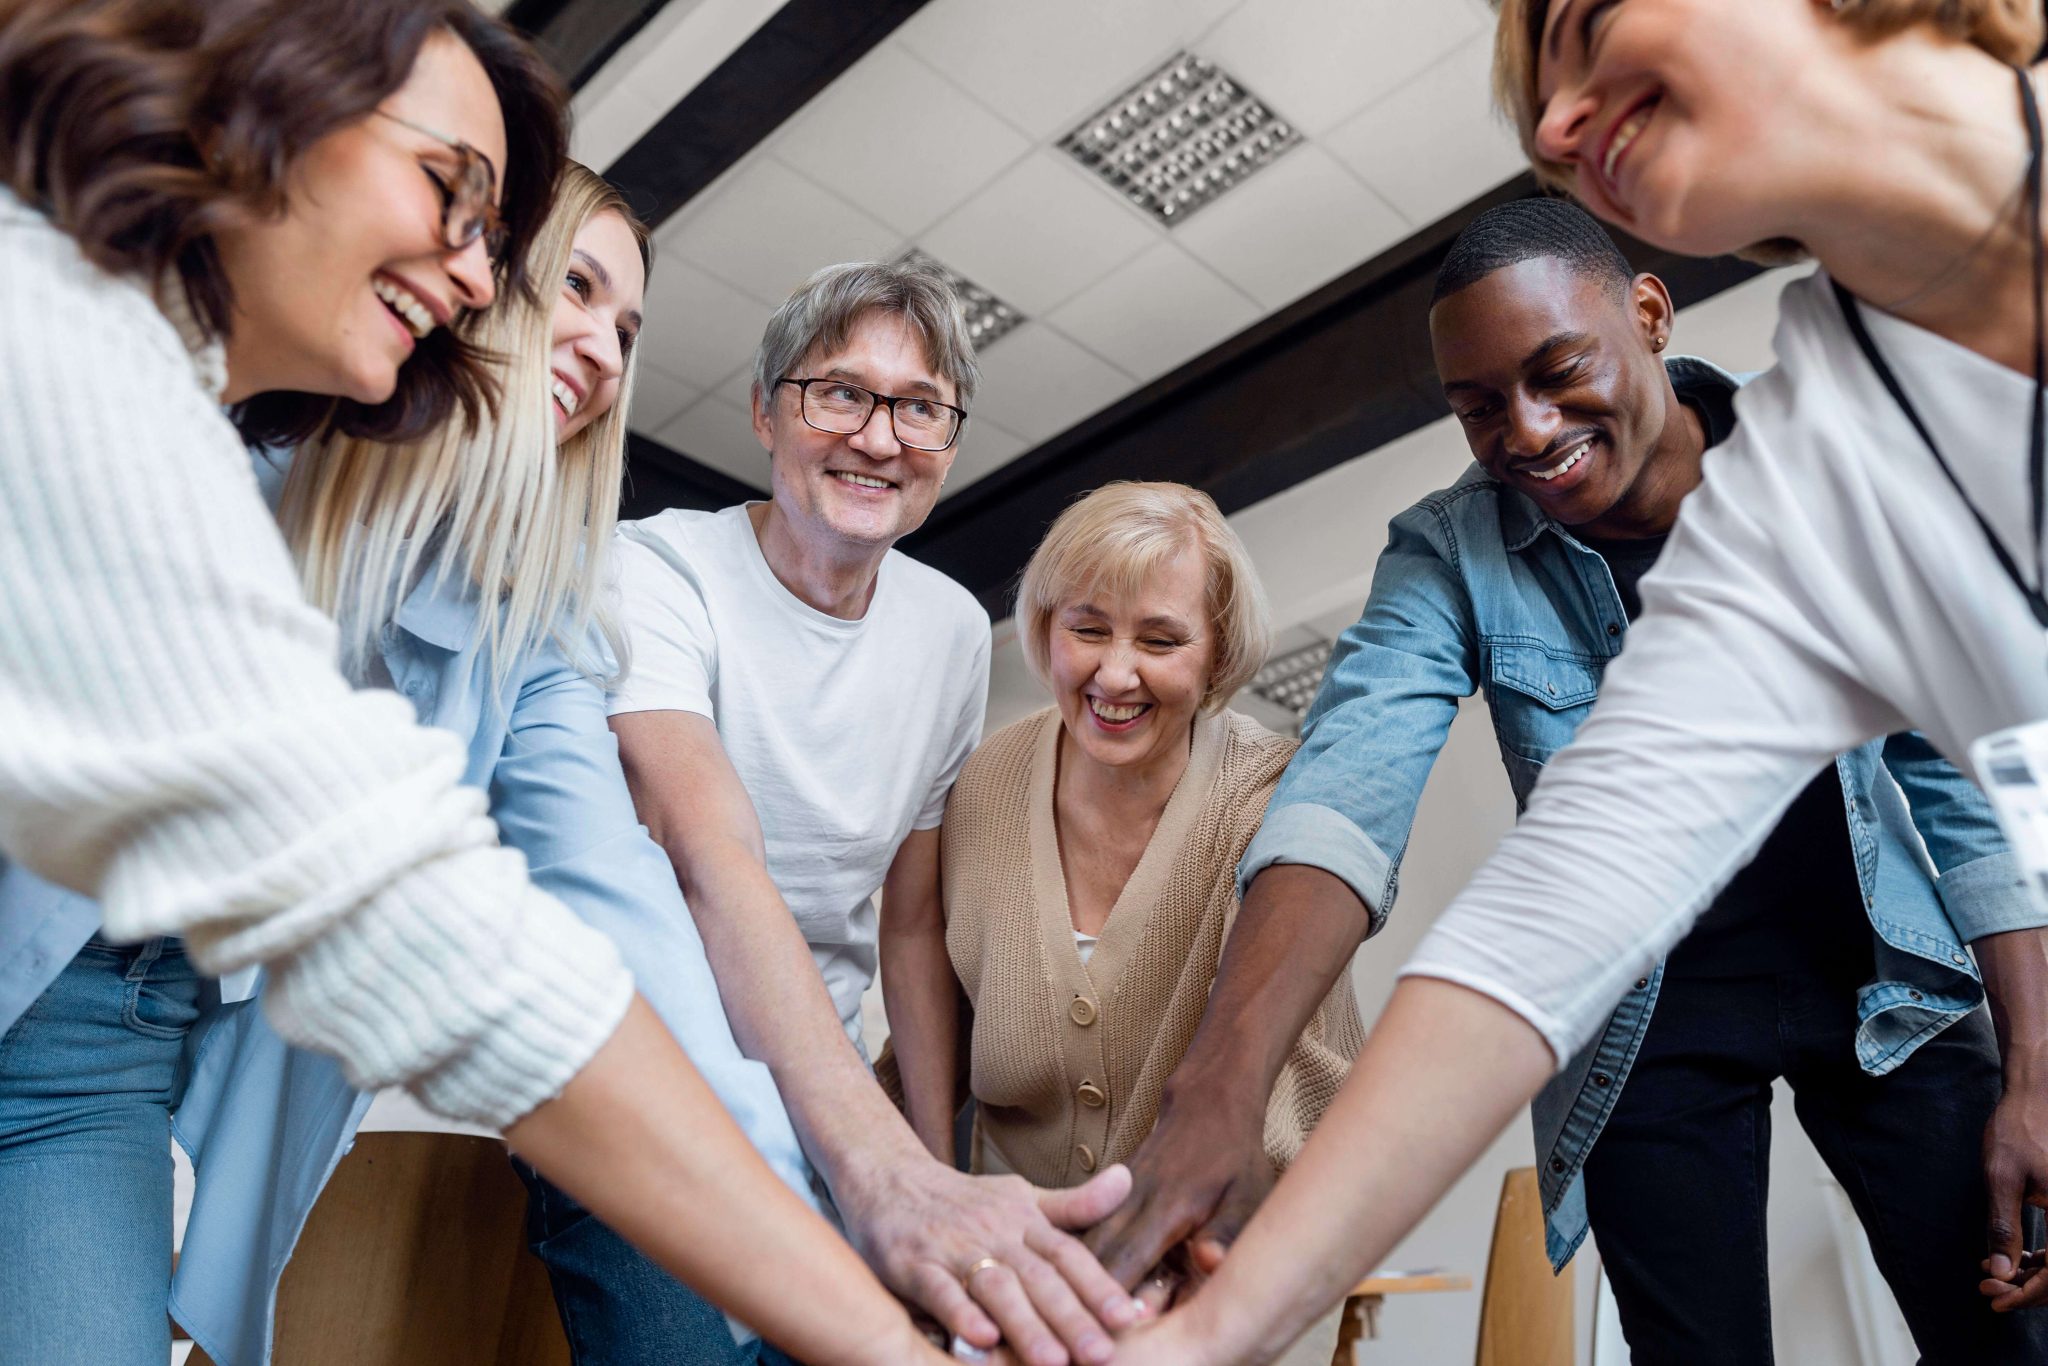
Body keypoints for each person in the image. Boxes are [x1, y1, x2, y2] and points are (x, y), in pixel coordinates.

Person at [0, 4, 949, 1362]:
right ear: (262, 104)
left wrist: (853, 1202)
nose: (465, 271)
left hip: (101, 1051)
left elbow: (615, 913)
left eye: (487, 235)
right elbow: (419, 915)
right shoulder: (97, 371)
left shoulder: (531, 615)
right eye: (459, 205)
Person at [1105, 2, 2048, 1361]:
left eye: (1586, 20)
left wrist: (2031, 1055)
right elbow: (1446, 838)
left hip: (1882, 968)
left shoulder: (1816, 448)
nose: (1550, 121)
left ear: (1650, 312)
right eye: (1480, 407)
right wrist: (1221, 1119)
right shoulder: (1815, 482)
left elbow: (1952, 782)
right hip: (1659, 1007)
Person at [584, 257, 1143, 1366]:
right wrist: (876, 1167)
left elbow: (908, 923)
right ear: (764, 410)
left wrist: (925, 1166)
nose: (878, 437)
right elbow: (709, 857)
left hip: (827, 1109)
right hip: (642, 1090)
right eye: (838, 392)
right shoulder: (652, 571)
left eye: (918, 407)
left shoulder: (945, 630)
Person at [884, 481, 1364, 1365]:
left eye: (1161, 639)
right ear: (1045, 628)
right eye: (1089, 627)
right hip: (1003, 1297)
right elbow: (932, 1024)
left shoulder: (1271, 802)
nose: (1114, 673)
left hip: (1211, 1295)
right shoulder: (983, 786)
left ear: (1217, 656)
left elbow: (1309, 1085)